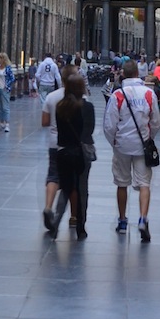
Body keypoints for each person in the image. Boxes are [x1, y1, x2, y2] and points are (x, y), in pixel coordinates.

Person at [103, 59, 160, 242]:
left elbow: (109, 124)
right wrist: (149, 137)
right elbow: (156, 121)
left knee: (122, 182)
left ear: (123, 74)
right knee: (144, 183)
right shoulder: (149, 94)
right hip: (142, 144)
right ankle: (143, 219)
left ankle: (122, 221)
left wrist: (114, 142)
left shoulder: (117, 95)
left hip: (122, 144)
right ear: (138, 73)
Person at [52, 74, 95, 240]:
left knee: (66, 188)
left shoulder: (60, 106)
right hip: (82, 152)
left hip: (63, 152)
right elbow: (89, 130)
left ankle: (56, 221)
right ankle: (80, 226)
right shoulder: (87, 107)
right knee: (82, 189)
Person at [41, 64, 75, 230]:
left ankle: (48, 207)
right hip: (73, 145)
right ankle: (74, 216)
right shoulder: (79, 97)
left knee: (53, 175)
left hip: (54, 143)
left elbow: (45, 122)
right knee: (73, 179)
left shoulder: (52, 97)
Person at [0, 51, 14, 131]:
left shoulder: (8, 68)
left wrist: (7, 86)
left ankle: (7, 124)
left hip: (4, 89)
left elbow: (12, 78)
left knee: (5, 107)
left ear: (3, 59)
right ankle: (1, 123)